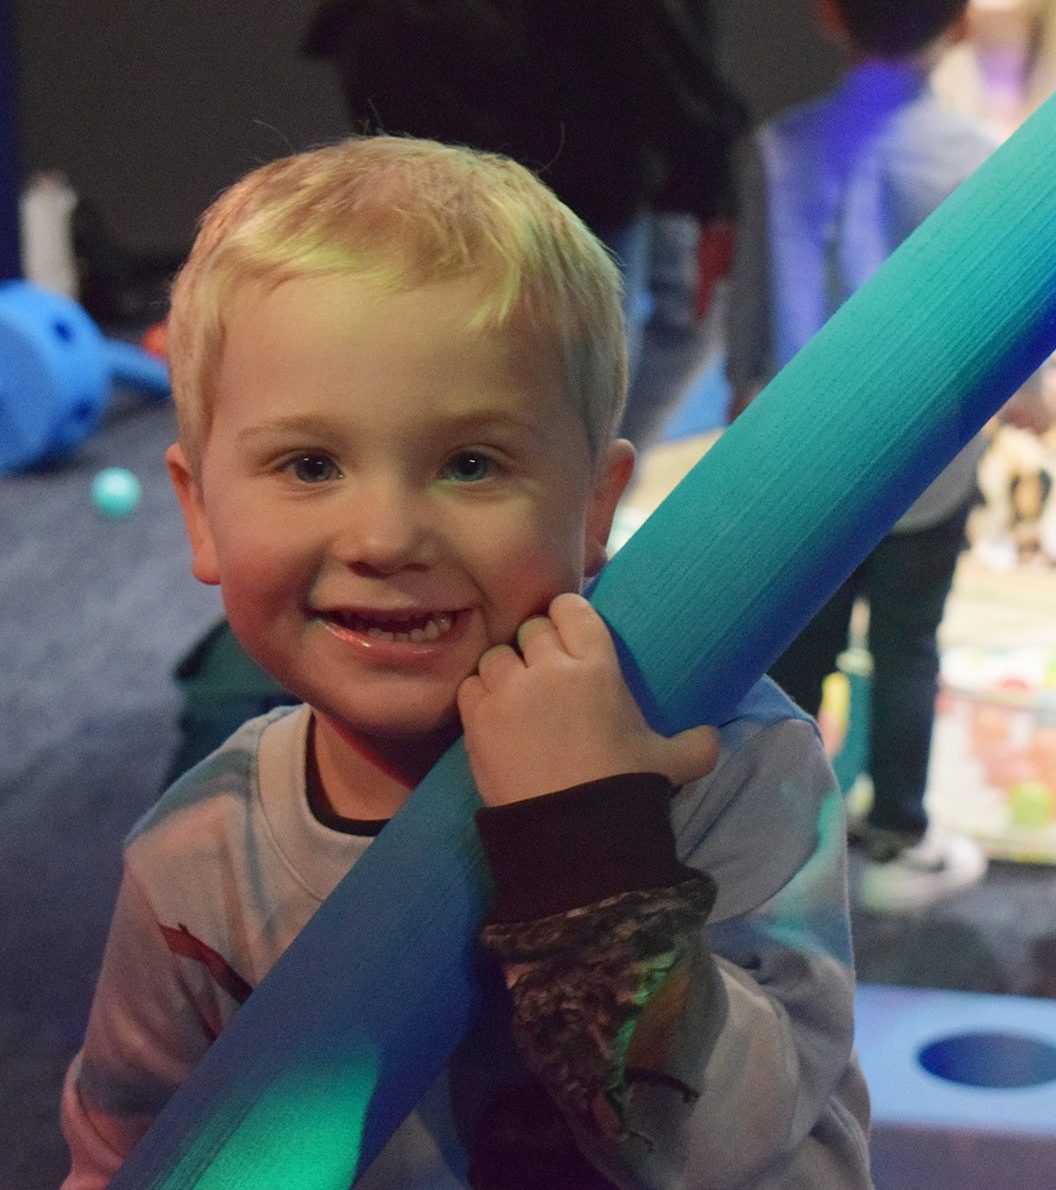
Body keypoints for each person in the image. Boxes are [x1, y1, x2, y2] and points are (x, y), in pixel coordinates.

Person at [60, 136, 871, 1188]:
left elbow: (724, 1145)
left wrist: (590, 842)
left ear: (593, 507)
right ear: (198, 509)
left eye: (471, 462)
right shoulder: (195, 862)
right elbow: (131, 1153)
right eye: (310, 463)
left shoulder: (724, 761)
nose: (386, 535)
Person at [725, 0, 995, 913]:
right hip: (935, 459)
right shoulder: (982, 161)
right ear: (958, 24)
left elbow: (750, 328)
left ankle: (784, 836)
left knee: (802, 655)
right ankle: (899, 828)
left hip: (807, 461)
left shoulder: (777, 145)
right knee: (910, 646)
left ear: (828, 17)